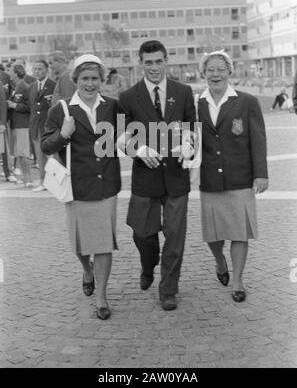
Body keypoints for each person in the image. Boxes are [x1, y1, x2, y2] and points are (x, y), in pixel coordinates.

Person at [41, 54, 121, 320]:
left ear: (102, 80)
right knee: (79, 244)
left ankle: (101, 296)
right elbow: (45, 146)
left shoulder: (112, 106)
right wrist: (63, 134)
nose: (90, 84)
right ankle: (86, 270)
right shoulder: (61, 109)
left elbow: (128, 135)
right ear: (75, 80)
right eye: (84, 79)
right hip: (76, 186)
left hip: (105, 184)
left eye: (95, 79)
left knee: (103, 243)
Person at [118, 40, 196, 311]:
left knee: (175, 237)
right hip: (145, 177)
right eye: (148, 62)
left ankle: (168, 289)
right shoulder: (128, 97)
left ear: (166, 61)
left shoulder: (184, 92)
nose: (154, 67)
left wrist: (189, 143)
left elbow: (190, 128)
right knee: (142, 233)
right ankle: (148, 263)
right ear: (141, 63)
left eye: (158, 61)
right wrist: (138, 148)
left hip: (176, 178)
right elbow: (121, 136)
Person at [198, 50, 268, 302]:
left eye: (220, 69)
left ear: (229, 72)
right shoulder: (196, 103)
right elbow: (187, 138)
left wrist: (261, 174)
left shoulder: (246, 101)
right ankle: (219, 261)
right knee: (214, 235)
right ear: (203, 73)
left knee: (239, 232)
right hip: (210, 180)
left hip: (241, 178)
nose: (215, 74)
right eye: (210, 70)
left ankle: (238, 280)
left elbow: (258, 139)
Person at [28, 60, 56, 192]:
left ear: (46, 70)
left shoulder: (53, 85)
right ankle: (43, 181)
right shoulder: (32, 86)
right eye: (35, 69)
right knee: (40, 156)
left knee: (53, 156)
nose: (37, 71)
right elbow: (32, 108)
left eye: (40, 69)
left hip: (49, 126)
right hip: (36, 126)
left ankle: (56, 182)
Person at [7, 65, 33, 187]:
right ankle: (24, 177)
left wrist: (14, 106)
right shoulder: (15, 87)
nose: (8, 73)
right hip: (15, 124)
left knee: (24, 153)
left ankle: (28, 179)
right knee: (19, 153)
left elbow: (30, 107)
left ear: (16, 73)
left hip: (22, 125)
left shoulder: (25, 87)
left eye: (10, 71)